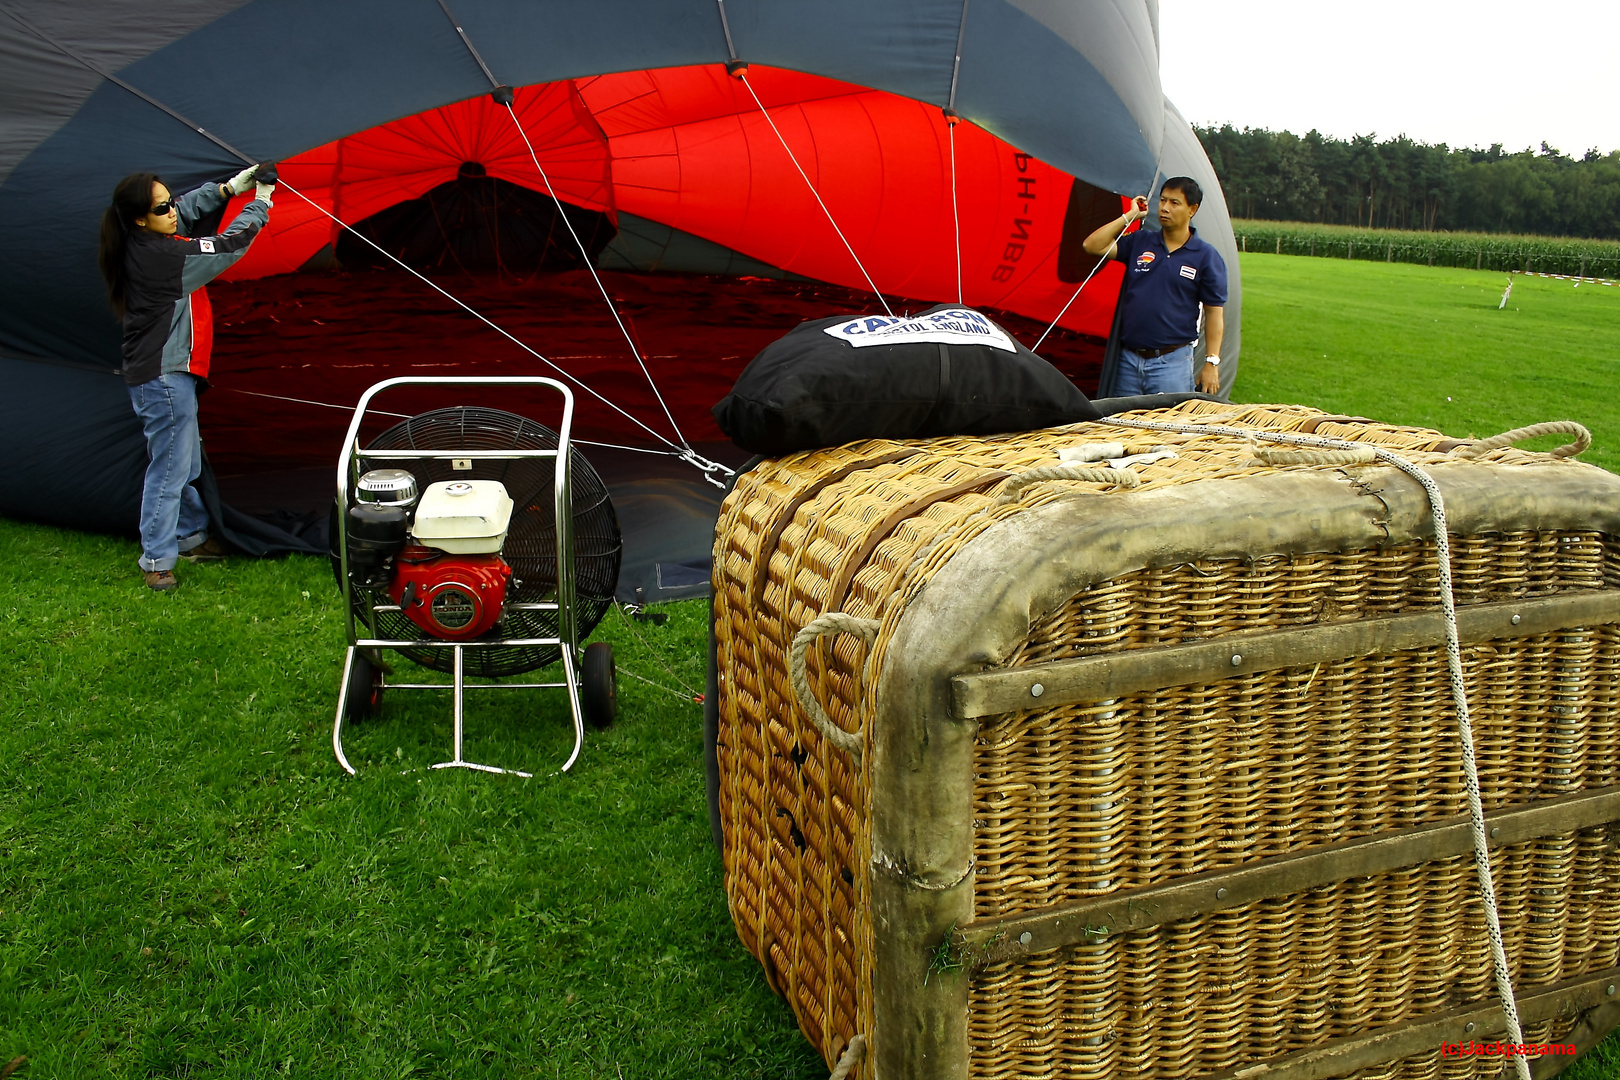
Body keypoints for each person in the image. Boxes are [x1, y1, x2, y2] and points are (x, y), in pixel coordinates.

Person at [98, 164, 274, 590]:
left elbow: (188, 208)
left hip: (162, 373)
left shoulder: (141, 237)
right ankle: (157, 560)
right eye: (162, 208)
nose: (173, 211)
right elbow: (229, 245)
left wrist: (229, 187)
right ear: (141, 218)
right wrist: (261, 202)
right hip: (164, 376)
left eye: (169, 200)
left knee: (185, 461)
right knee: (170, 470)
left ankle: (191, 536)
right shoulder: (164, 258)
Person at [1083, 176, 1227, 397]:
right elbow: (1092, 245)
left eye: (1174, 203)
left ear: (1192, 209)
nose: (1165, 208)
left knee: (1169, 427)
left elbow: (1214, 312)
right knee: (1122, 427)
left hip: (1172, 363)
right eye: (1162, 200)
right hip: (1128, 361)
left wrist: (1212, 362)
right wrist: (1130, 216)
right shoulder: (1140, 242)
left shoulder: (1205, 256)